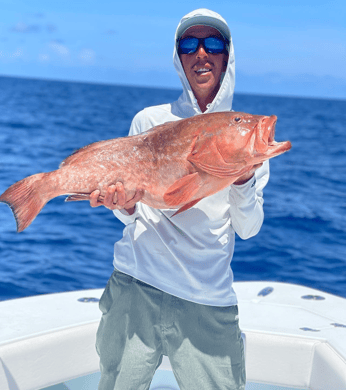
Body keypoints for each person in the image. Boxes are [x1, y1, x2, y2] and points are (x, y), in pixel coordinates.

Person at [90, 8, 269, 390]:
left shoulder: (247, 136)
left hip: (208, 298)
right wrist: (123, 204)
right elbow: (134, 213)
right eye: (190, 44)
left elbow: (249, 228)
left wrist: (243, 179)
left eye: (213, 44)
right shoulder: (148, 121)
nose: (201, 53)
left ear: (227, 56)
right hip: (136, 285)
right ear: (179, 57)